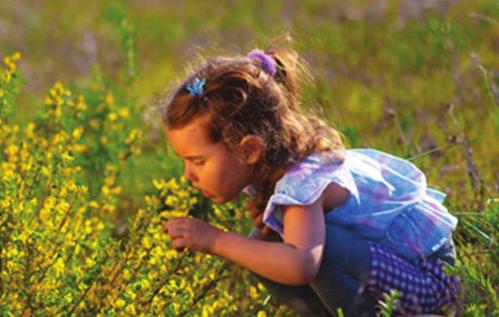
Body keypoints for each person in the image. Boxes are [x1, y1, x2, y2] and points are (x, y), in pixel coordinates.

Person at [160, 37, 459, 316]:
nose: (189, 175)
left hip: (430, 278)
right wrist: (270, 225)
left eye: (197, 161)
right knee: (261, 249)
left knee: (310, 256)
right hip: (395, 267)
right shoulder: (274, 165)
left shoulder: (301, 182)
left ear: (249, 149)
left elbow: (302, 266)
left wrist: (215, 240)